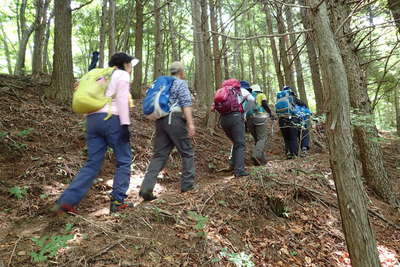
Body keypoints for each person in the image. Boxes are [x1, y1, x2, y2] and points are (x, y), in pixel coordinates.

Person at [54, 52, 136, 214]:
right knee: (124, 160)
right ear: (125, 64)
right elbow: (121, 99)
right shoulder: (122, 75)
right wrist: (125, 124)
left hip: (92, 121)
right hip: (112, 119)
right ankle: (118, 201)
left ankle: (67, 201)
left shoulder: (100, 75)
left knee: (92, 163)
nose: (131, 68)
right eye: (130, 65)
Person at [139, 61, 196, 201]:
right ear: (181, 72)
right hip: (175, 119)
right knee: (187, 152)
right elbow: (186, 104)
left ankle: (146, 187)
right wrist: (190, 124)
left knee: (159, 155)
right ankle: (188, 186)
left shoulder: (164, 83)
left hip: (161, 121)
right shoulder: (180, 83)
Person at [220, 80, 255, 177]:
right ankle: (239, 171)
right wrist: (245, 112)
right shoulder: (241, 90)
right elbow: (251, 100)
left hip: (223, 120)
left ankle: (233, 165)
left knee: (235, 143)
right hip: (236, 118)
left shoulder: (223, 91)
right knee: (240, 144)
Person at [245, 84, 276, 165]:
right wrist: (270, 113)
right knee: (262, 138)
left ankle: (261, 161)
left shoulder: (248, 96)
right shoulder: (261, 95)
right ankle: (256, 155)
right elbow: (264, 104)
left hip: (248, 119)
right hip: (259, 117)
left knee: (257, 140)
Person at [276, 86, 307, 159]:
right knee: (293, 138)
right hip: (292, 119)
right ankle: (295, 155)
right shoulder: (293, 98)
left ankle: (288, 153)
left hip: (281, 120)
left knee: (286, 138)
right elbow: (304, 105)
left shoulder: (279, 99)